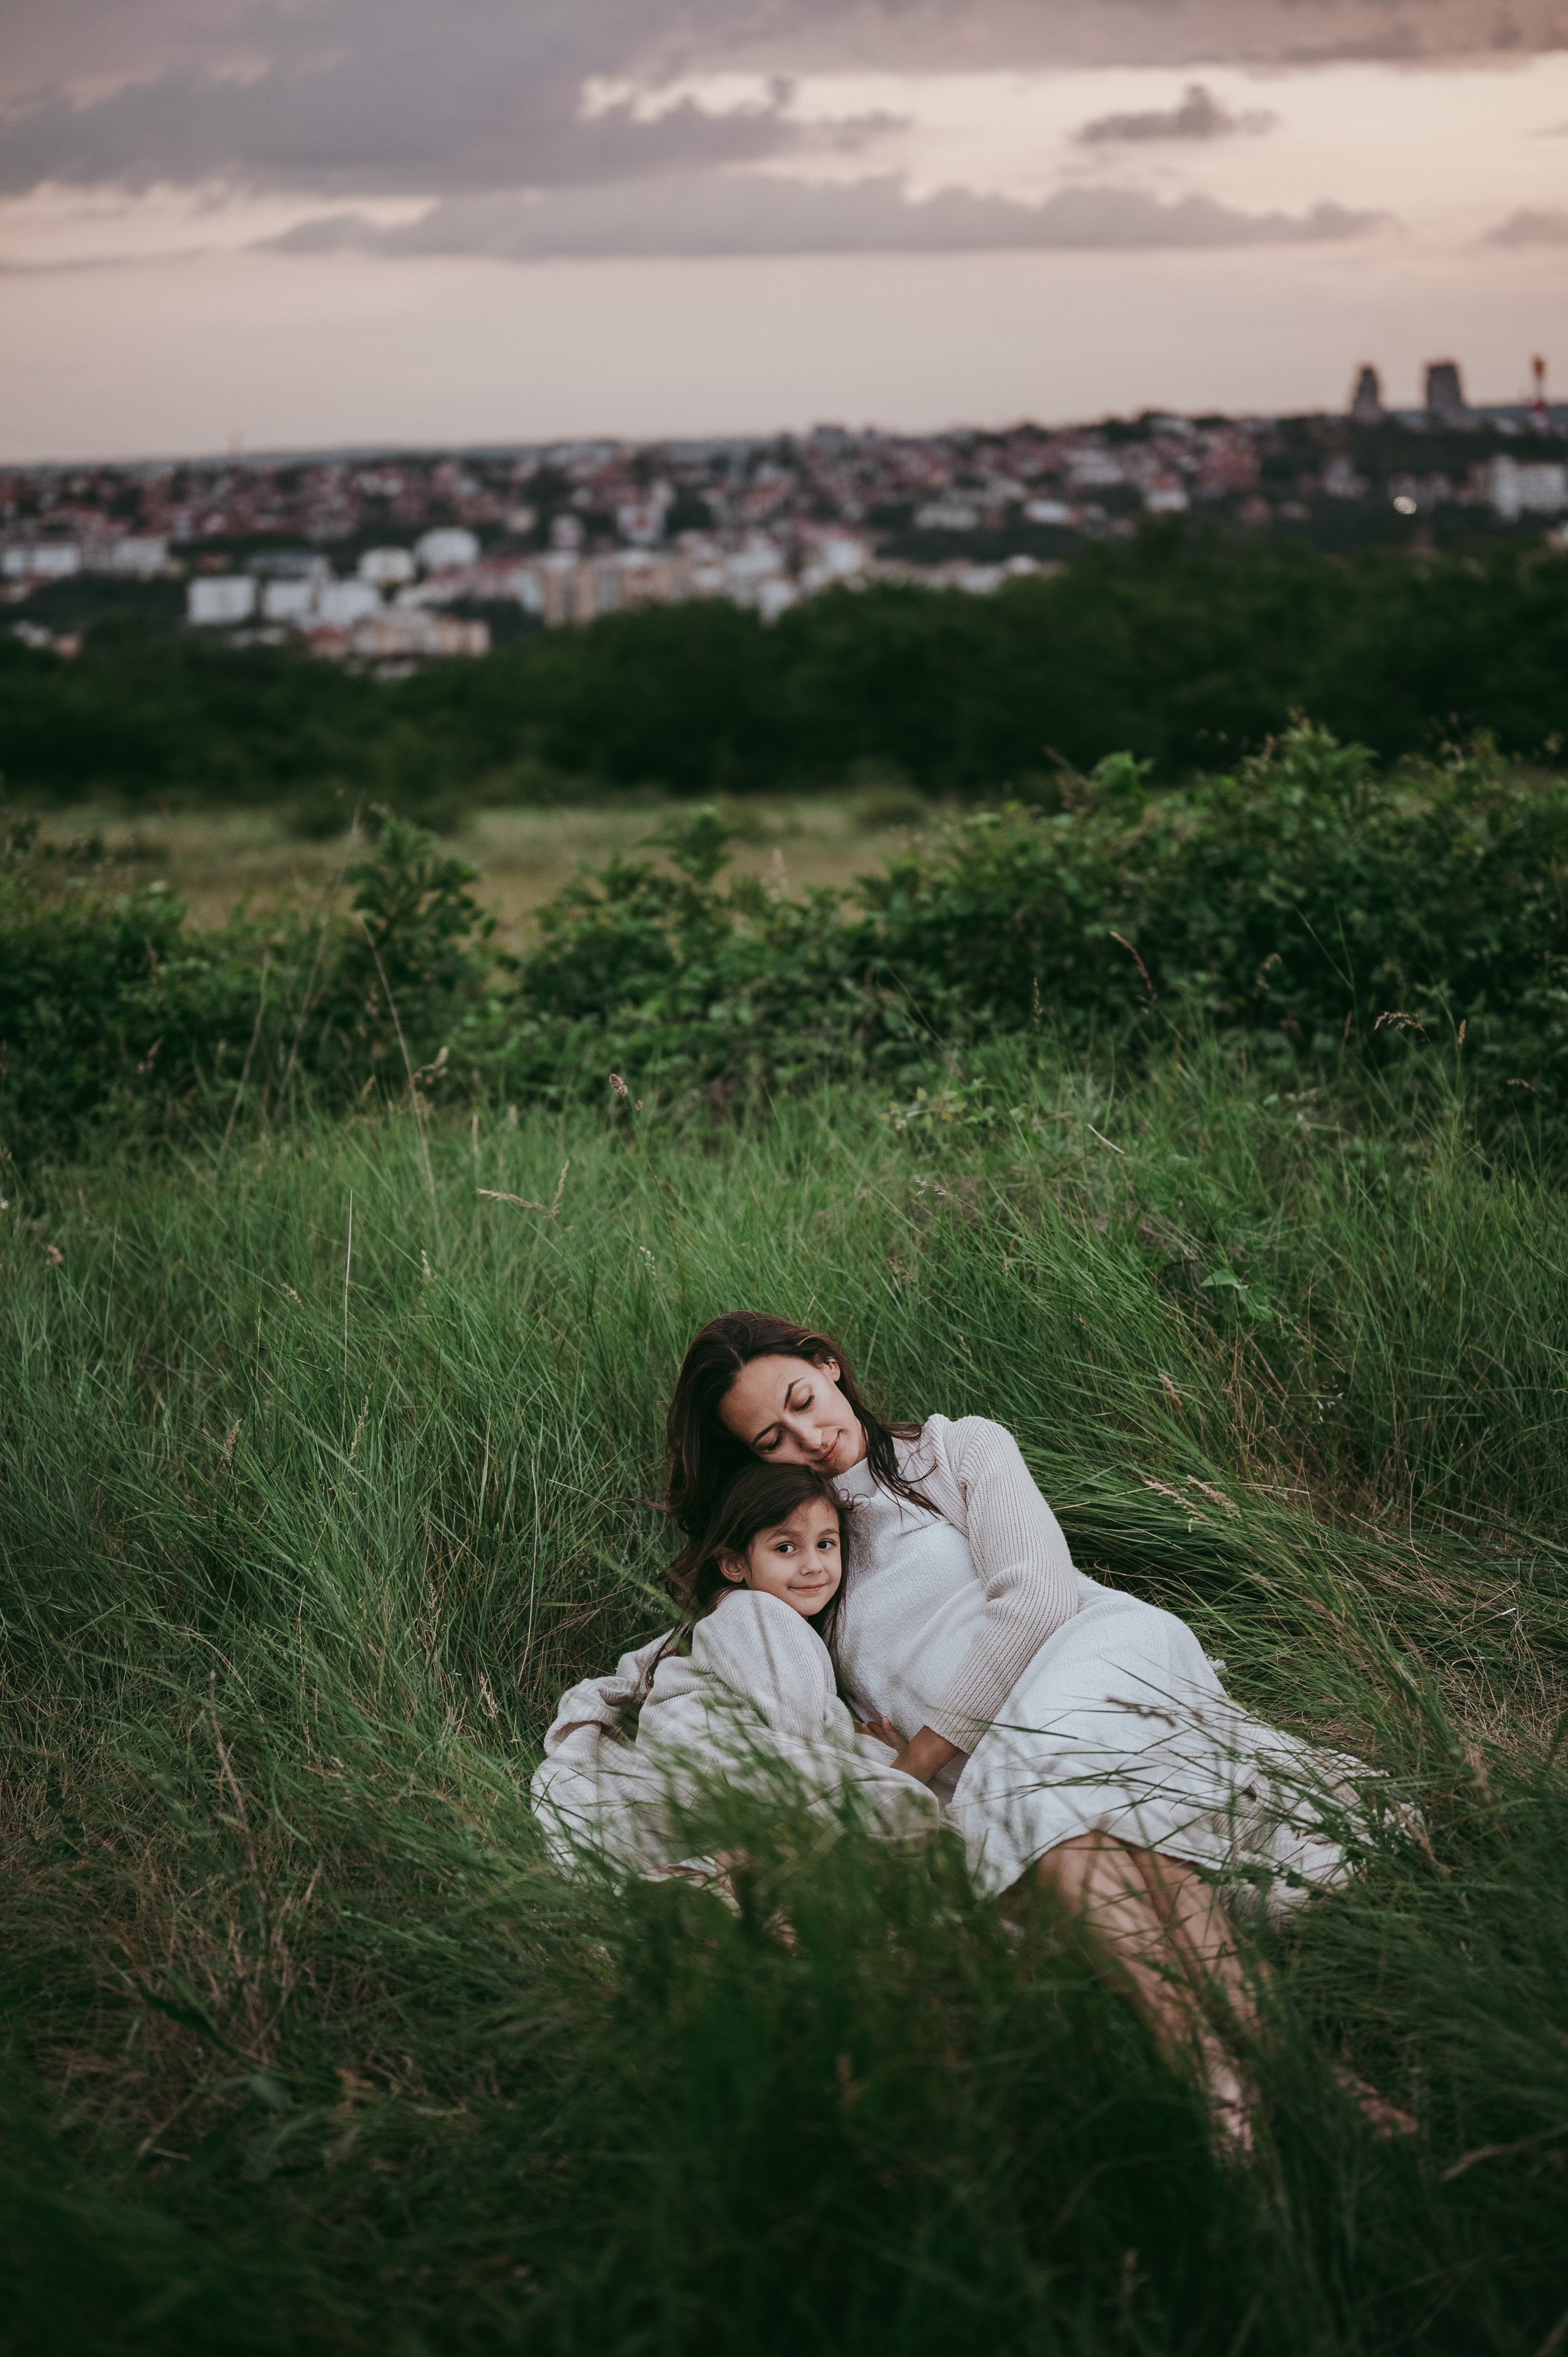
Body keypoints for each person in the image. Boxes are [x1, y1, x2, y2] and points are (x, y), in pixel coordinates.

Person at [664, 1311, 1381, 2144]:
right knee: (1078, 1827)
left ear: (827, 1365)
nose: (807, 1437)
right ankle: (1272, 2080)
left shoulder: (960, 1451)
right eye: (771, 1439)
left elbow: (1037, 1599)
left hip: (1092, 1652)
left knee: (1032, 1780)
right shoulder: (800, 1553)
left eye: (803, 1399)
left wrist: (920, 1759)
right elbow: (779, 1684)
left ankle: (1223, 2087)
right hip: (997, 1751)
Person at [532, 1461, 940, 1883]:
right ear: (734, 1565)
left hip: (688, 1767)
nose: (813, 1565)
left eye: (825, 1544)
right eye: (786, 1548)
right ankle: (717, 1871)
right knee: (907, 1801)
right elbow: (792, 1717)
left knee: (882, 1810)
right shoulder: (759, 1612)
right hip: (716, 1750)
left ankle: (708, 1880)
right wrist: (879, 1757)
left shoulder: (720, 1618)